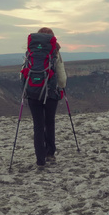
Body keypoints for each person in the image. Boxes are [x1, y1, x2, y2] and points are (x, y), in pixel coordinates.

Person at [25, 27, 67, 168]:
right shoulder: (54, 53)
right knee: (49, 122)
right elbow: (61, 79)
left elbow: (23, 73)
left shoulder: (31, 52)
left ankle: (40, 159)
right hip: (50, 94)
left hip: (33, 93)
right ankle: (50, 152)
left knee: (38, 125)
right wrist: (61, 86)